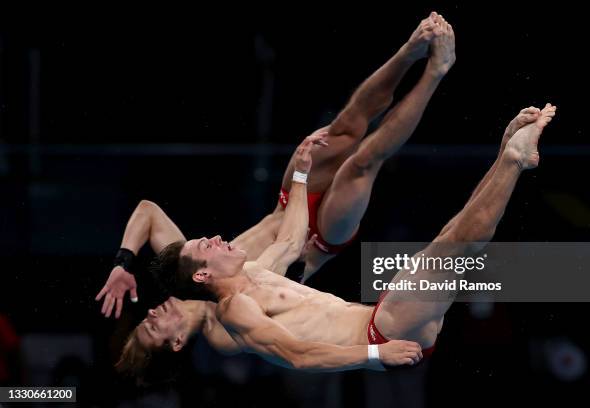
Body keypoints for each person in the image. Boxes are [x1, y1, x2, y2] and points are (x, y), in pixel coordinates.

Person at [116, 101, 557, 378]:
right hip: (380, 333)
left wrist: (303, 171)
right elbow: (298, 356)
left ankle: (506, 155)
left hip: (380, 315)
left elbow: (290, 240)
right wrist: (372, 356)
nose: (215, 237)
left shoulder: (251, 274)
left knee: (450, 242)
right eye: (205, 246)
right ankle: (515, 160)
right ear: (204, 274)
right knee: (451, 247)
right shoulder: (235, 314)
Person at [97, 11, 454, 318]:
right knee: (363, 162)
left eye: (153, 316)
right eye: (157, 325)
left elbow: (147, 211)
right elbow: (290, 247)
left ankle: (410, 50)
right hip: (320, 238)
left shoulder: (189, 264)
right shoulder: (231, 310)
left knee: (344, 130)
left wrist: (122, 263)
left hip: (288, 203)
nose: (157, 315)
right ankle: (436, 71)